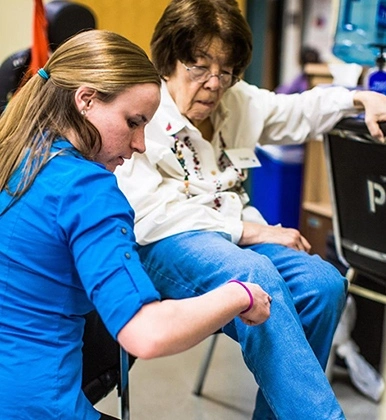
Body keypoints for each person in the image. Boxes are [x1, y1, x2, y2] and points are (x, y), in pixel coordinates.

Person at [114, 1, 386, 419]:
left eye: (226, 70)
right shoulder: (144, 109)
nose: (213, 83)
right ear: (169, 60)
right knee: (253, 276)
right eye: (199, 66)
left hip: (232, 241)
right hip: (165, 245)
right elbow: (151, 217)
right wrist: (251, 231)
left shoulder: (236, 100)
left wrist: (359, 98)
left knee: (324, 284)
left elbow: (297, 111)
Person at [0, 29, 271, 420]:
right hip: (37, 408)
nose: (141, 144)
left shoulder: (17, 153)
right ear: (86, 100)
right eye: (133, 122)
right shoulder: (87, 189)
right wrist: (239, 294)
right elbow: (146, 334)